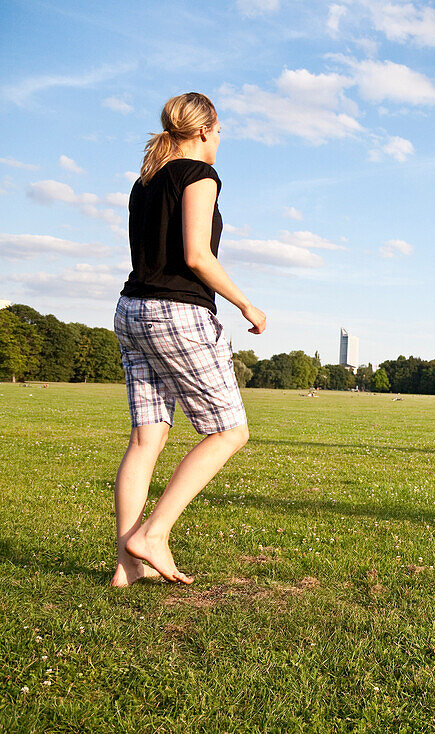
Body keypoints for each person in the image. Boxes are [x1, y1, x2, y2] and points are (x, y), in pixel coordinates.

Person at [111, 92, 267, 586]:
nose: (220, 141)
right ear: (203, 131)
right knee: (229, 431)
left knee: (146, 438)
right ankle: (153, 534)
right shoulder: (199, 175)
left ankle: (127, 565)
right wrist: (247, 304)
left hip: (131, 311)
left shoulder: (145, 181)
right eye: (219, 132)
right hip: (177, 313)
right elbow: (197, 256)